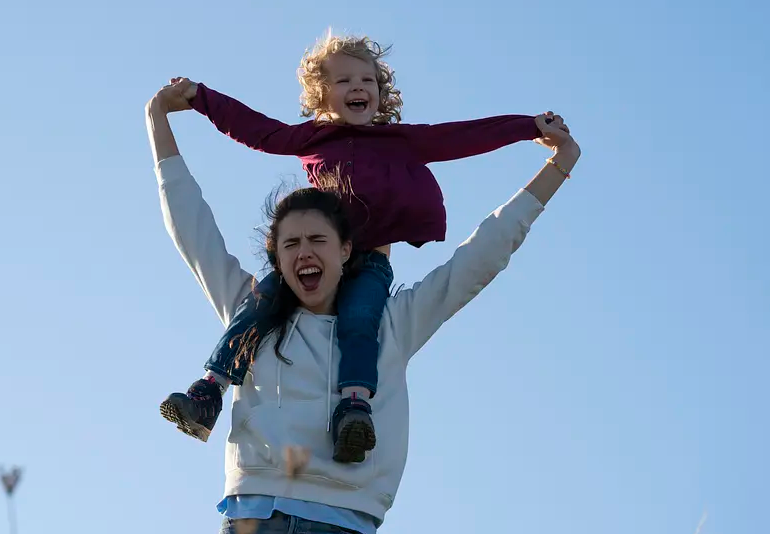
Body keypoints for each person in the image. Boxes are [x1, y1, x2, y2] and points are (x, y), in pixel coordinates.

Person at [146, 77, 581, 534]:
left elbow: (482, 256)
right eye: (291, 244)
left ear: (346, 250)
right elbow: (192, 226)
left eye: (317, 241)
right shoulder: (249, 316)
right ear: (278, 259)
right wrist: (158, 122)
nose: (305, 253)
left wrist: (558, 166)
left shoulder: (388, 326)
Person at [159, 34, 550, 463]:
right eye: (344, 80)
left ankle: (354, 409)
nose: (359, 87)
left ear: (382, 93)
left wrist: (528, 126)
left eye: (368, 79)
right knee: (259, 304)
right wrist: (200, 96)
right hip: (315, 261)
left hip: (368, 264)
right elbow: (256, 129)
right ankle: (209, 391)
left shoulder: (400, 140)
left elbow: (463, 136)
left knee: (361, 320)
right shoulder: (311, 138)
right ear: (321, 94)